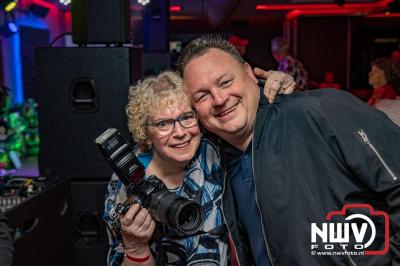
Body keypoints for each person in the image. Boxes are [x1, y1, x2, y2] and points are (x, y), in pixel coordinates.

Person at [177, 34, 400, 265]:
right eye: (202, 95)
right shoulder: (215, 162)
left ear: (249, 73)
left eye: (225, 82)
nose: (219, 98)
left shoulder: (320, 111)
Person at [103, 70, 295, 265]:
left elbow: (252, 117)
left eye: (186, 117)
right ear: (145, 132)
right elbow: (124, 255)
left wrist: (273, 87)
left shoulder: (213, 152)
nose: (180, 132)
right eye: (163, 123)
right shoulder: (128, 180)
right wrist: (136, 247)